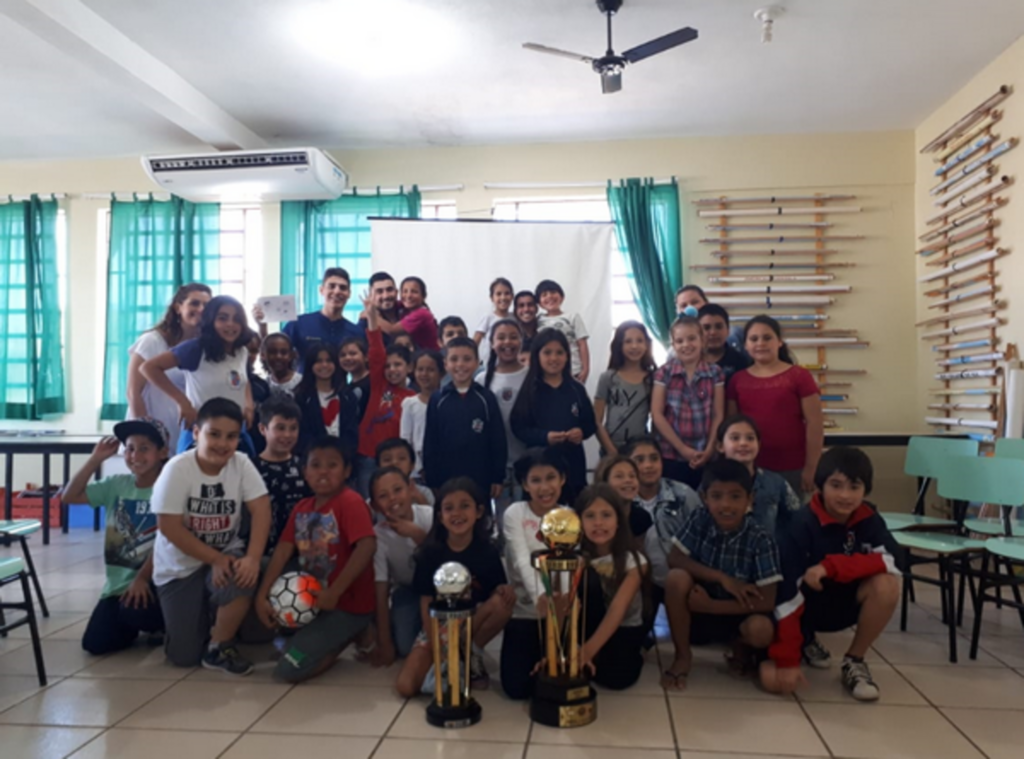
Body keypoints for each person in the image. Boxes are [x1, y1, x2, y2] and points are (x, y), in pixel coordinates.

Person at [760, 447, 901, 702]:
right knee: (773, 679)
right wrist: (788, 659)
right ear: (820, 487)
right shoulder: (800, 524)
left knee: (887, 585)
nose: (845, 495)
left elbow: (894, 560)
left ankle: (854, 661)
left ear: (865, 490)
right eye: (836, 485)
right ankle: (806, 640)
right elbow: (787, 594)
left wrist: (831, 566)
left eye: (854, 487)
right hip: (807, 607)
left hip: (847, 603)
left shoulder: (869, 518)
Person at [151, 398, 271, 674]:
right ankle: (204, 616)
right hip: (179, 565)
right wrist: (214, 558)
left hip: (225, 552)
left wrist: (252, 558)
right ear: (196, 433)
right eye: (213, 434)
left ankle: (220, 645)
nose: (222, 444)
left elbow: (261, 508)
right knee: (183, 656)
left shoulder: (240, 463)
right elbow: (168, 526)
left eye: (231, 437)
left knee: (242, 572)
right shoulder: (177, 469)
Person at [255, 436, 377, 683]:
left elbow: (367, 546)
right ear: (305, 472)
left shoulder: (350, 502)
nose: (323, 472)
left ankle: (352, 634)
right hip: (311, 602)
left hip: (346, 606)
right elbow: (282, 550)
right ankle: (307, 636)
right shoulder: (303, 507)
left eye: (332, 465)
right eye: (315, 465)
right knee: (265, 566)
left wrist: (335, 593)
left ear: (347, 471)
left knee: (288, 670)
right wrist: (262, 596)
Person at [661, 459, 782, 691]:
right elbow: (674, 558)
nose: (726, 505)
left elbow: (767, 600)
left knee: (761, 630)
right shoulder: (700, 518)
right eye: (716, 496)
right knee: (677, 577)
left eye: (735, 496)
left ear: (750, 499)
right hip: (698, 609)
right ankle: (683, 656)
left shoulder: (761, 538)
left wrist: (711, 606)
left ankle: (741, 647)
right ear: (705, 497)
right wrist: (722, 578)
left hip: (734, 612)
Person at [395, 478, 515, 696]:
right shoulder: (429, 553)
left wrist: (503, 590)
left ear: (478, 512)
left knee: (504, 602)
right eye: (449, 508)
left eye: (464, 506)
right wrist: (434, 642)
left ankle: (471, 655)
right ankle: (450, 661)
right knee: (406, 687)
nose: (457, 513)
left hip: (470, 622)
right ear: (440, 517)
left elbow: (496, 592)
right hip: (437, 626)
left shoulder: (487, 552)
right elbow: (425, 600)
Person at [61, 418, 170, 655]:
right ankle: (138, 622)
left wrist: (142, 578)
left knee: (135, 612)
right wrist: (95, 459)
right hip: (118, 585)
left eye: (144, 448)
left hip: (156, 581)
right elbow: (68, 497)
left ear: (162, 452)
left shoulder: (169, 486)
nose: (135, 455)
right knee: (95, 644)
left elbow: (167, 540)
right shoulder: (116, 485)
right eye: (130, 448)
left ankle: (163, 624)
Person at [140, 295, 257, 456]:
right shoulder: (196, 349)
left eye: (236, 319)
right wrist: (183, 402)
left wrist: (249, 405)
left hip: (234, 432)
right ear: (210, 320)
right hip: (201, 433)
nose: (230, 324)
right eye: (222, 318)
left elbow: (242, 380)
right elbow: (148, 367)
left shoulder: (241, 351)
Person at [726, 315, 824, 496]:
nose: (760, 343)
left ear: (779, 342)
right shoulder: (737, 380)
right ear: (746, 345)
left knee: (791, 520)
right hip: (750, 466)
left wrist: (811, 467)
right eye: (753, 339)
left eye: (767, 337)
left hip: (792, 466)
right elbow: (731, 426)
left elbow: (815, 424)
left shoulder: (799, 376)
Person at [500, 448, 569, 700]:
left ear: (562, 479)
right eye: (536, 480)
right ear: (525, 485)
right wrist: (541, 596)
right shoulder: (515, 513)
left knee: (557, 678)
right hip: (525, 609)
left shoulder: (569, 517)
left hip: (560, 614)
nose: (544, 487)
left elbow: (568, 570)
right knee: (516, 689)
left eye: (551, 477)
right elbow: (520, 559)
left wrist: (555, 609)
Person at [622, 436, 702, 628]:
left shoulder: (683, 494)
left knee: (700, 636)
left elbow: (703, 537)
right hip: (637, 581)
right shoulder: (620, 498)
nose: (648, 465)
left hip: (679, 580)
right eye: (639, 460)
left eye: (654, 458)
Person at [574, 483, 648, 690]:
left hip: (623, 627)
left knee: (616, 679)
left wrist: (586, 652)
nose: (598, 523)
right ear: (579, 521)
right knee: (587, 578)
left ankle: (637, 651)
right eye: (590, 516)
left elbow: (618, 610)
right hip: (587, 624)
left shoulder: (635, 561)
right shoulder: (575, 555)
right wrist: (573, 649)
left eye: (606, 515)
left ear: (618, 521)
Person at [510, 329, 596, 503]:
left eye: (559, 353)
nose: (554, 358)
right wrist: (544, 437)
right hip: (539, 466)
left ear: (567, 356)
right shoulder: (530, 389)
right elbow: (518, 427)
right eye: (547, 353)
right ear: (537, 356)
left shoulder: (576, 389)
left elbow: (590, 424)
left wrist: (581, 432)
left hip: (573, 465)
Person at [127, 283, 212, 453]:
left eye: (206, 305)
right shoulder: (152, 341)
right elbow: (132, 392)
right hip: (152, 434)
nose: (201, 309)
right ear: (178, 307)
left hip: (183, 432)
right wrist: (146, 434)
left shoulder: (203, 346)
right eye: (194, 303)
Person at [422, 337, 507, 501]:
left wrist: (498, 476)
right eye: (454, 359)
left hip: (480, 476)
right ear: (445, 364)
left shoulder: (486, 398)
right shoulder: (438, 399)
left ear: (477, 363)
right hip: (446, 477)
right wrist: (432, 479)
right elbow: (430, 441)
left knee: (481, 519)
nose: (460, 364)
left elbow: (497, 439)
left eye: (467, 359)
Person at [367, 467, 434, 665]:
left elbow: (447, 562)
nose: (393, 499)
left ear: (411, 488)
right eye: (383, 496)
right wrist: (385, 642)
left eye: (398, 490)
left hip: (439, 589)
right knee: (404, 647)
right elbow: (381, 590)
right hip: (408, 589)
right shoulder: (378, 535)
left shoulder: (430, 516)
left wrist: (418, 534)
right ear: (375, 506)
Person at [651, 316, 725, 490]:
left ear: (702, 340)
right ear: (673, 344)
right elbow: (657, 414)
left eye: (692, 338)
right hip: (671, 454)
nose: (686, 345)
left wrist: (709, 450)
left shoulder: (715, 372)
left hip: (706, 454)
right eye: (679, 341)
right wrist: (682, 449)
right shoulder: (664, 373)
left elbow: (718, 414)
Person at [357, 294, 416, 483]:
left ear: (409, 368)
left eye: (397, 365)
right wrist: (373, 318)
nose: (392, 370)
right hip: (368, 457)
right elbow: (376, 350)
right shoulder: (379, 385)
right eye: (388, 366)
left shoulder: (413, 397)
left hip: (396, 461)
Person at [256, 268, 364, 370]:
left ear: (349, 294)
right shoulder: (298, 324)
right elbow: (273, 353)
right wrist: (262, 327)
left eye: (343, 288)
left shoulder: (355, 332)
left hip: (341, 389)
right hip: (301, 388)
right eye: (331, 286)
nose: (337, 291)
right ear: (321, 290)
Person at [716, 414, 801, 537]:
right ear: (720, 446)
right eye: (735, 438)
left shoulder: (775, 483)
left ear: (759, 445)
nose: (743, 443)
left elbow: (797, 518)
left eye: (750, 438)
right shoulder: (712, 483)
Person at [481, 319, 529, 519]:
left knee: (526, 518)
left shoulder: (532, 375)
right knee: (502, 519)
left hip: (527, 461)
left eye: (513, 337)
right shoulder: (482, 379)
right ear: (492, 343)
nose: (507, 342)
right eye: (501, 337)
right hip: (495, 465)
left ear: (521, 340)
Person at [255, 397, 311, 557]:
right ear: (262, 429)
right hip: (261, 552)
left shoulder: (305, 467)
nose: (287, 435)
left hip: (299, 552)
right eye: (280, 428)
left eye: (293, 428)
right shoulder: (250, 468)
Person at [594, 320, 656, 455]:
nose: (634, 346)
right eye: (628, 341)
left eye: (639, 341)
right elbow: (596, 420)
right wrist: (611, 451)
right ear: (619, 345)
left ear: (647, 344)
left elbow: (657, 417)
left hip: (640, 450)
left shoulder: (653, 379)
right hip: (610, 449)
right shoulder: (608, 378)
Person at [292, 343, 359, 456]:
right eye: (318, 361)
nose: (324, 365)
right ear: (310, 364)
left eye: (329, 361)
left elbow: (351, 431)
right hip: (312, 458)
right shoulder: (301, 397)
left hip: (343, 458)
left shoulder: (347, 395)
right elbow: (302, 433)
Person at [400, 349, 444, 480]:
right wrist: (416, 467)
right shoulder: (410, 403)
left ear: (441, 373)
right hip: (417, 472)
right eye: (420, 369)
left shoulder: (447, 402)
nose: (424, 374)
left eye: (430, 370)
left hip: (443, 467)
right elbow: (405, 439)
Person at [594, 455, 653, 550]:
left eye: (632, 476)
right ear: (604, 482)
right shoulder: (594, 516)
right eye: (619, 476)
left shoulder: (642, 517)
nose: (628, 480)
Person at [536, 279, 590, 382]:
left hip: (573, 369)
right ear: (539, 303)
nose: (549, 296)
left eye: (553, 292)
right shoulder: (538, 320)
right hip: (546, 370)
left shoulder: (573, 317)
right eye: (544, 294)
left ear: (562, 297)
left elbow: (582, 344)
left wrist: (586, 368)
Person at [675, 284, 745, 352]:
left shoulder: (735, 334)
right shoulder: (676, 350)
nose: (690, 309)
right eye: (683, 305)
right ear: (677, 312)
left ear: (706, 303)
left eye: (695, 302)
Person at [697, 304, 751, 384]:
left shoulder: (739, 361)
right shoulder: (690, 361)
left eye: (719, 327)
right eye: (706, 328)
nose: (713, 332)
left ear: (728, 330)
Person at [375, 438, 435, 506]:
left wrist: (418, 498)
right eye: (387, 459)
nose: (395, 463)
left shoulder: (424, 492)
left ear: (412, 465)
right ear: (378, 467)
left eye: (401, 458)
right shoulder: (375, 496)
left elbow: (431, 515)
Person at [473, 277, 514, 365]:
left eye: (507, 293)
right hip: (490, 365)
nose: (503, 297)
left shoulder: (514, 318)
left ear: (512, 296)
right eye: (498, 294)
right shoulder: (488, 318)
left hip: (511, 364)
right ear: (492, 298)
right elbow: (475, 341)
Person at [357, 272, 402, 341]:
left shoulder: (407, 312)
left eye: (389, 290)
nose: (386, 296)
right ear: (371, 296)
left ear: (396, 292)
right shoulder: (365, 323)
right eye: (379, 291)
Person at [260, 332, 302, 396]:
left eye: (284, 352)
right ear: (263, 355)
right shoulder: (264, 385)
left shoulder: (301, 382)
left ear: (291, 355)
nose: (278, 356)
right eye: (272, 352)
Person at [339, 336, 371, 421]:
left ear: (366, 357)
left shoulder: (374, 380)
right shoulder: (344, 389)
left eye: (353, 353)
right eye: (343, 355)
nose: (347, 358)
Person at [513, 290, 539, 355]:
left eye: (530, 305)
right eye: (521, 306)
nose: (526, 309)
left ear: (536, 308)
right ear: (515, 311)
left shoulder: (544, 328)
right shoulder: (512, 333)